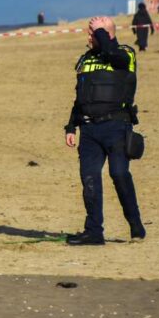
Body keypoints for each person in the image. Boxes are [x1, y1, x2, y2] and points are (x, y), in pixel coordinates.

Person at [64, 16, 144, 245]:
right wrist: (71, 126)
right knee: (89, 178)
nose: (89, 38)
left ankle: (135, 223)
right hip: (89, 130)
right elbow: (80, 97)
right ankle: (93, 232)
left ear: (106, 35)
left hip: (117, 126)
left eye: (94, 33)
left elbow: (112, 53)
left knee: (118, 174)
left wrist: (101, 32)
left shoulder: (125, 55)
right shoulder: (86, 60)